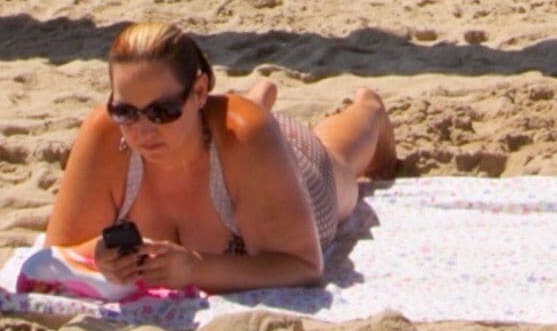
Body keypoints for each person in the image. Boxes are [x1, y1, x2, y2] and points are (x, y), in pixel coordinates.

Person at [42, 23, 391, 296]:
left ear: (197, 92)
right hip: (227, 139)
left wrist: (194, 269)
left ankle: (370, 109)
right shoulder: (106, 132)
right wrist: (98, 256)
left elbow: (303, 267)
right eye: (125, 111)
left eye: (162, 111)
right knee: (238, 126)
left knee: (341, 162)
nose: (143, 130)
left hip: (280, 166)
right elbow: (54, 257)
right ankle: (253, 99)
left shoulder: (246, 136)